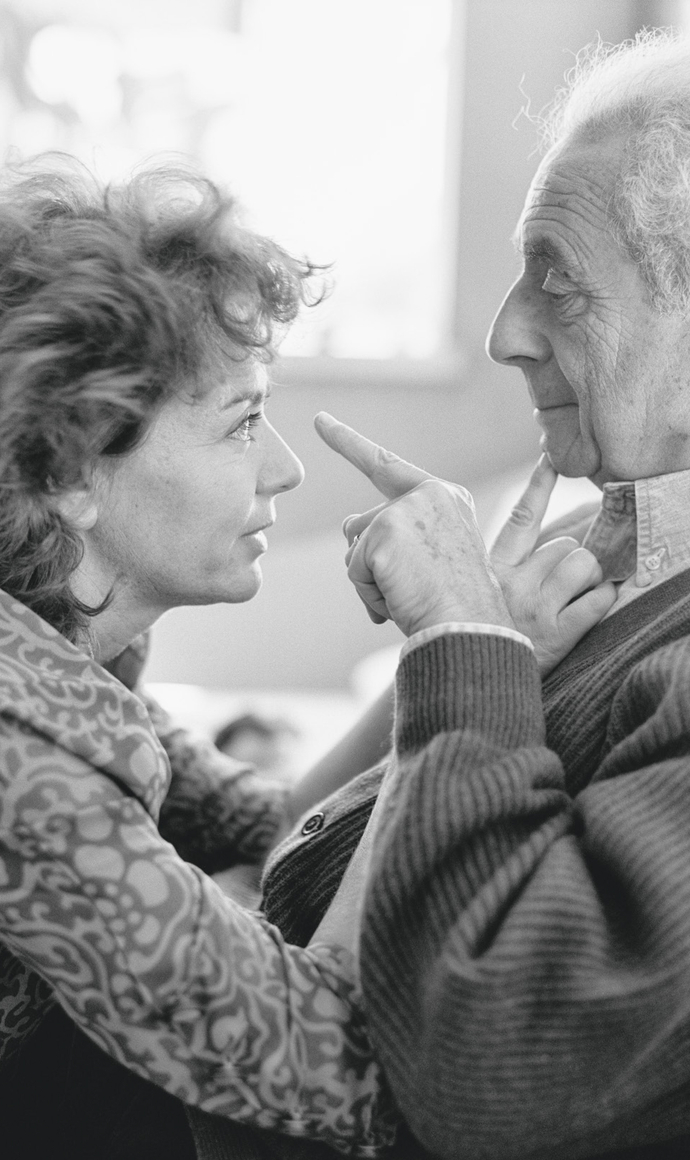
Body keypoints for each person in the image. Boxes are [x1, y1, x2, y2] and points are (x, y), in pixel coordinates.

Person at [261, 34, 690, 1160]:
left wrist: (466, 643)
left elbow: (502, 1060)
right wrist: (455, 647)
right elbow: (301, 848)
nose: (506, 333)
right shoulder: (624, 529)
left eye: (558, 283)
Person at [0, 156, 405, 1159]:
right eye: (242, 421)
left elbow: (270, 825)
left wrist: (444, 657)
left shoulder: (71, 646)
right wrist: (464, 675)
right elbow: (329, 1061)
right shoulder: (24, 760)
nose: (285, 467)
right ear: (70, 466)